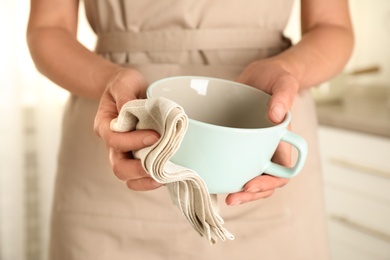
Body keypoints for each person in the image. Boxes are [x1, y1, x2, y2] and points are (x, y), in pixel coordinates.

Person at [27, 0, 353, 259]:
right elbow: (47, 28)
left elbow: (333, 27)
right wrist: (109, 81)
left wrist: (286, 69)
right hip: (118, 147)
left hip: (262, 139)